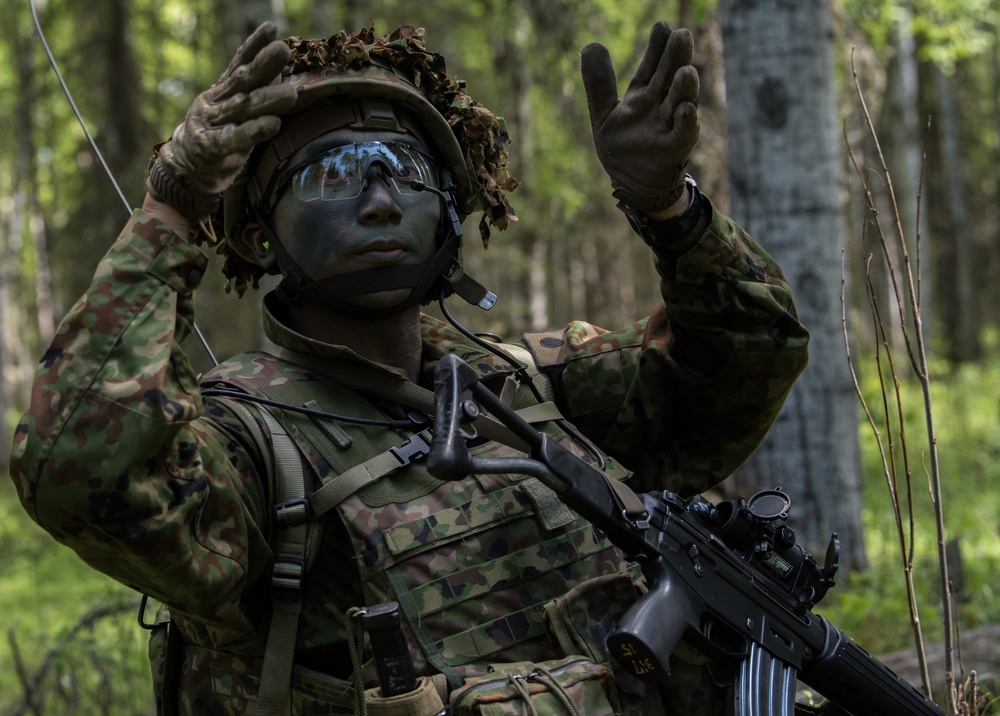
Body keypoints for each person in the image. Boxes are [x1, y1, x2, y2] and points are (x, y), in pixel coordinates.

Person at [10, 18, 809, 716]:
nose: (383, 200)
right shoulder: (247, 446)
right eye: (334, 172)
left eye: (406, 169)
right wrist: (170, 212)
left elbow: (742, 366)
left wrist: (672, 211)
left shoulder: (533, 382)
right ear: (258, 236)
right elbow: (80, 469)